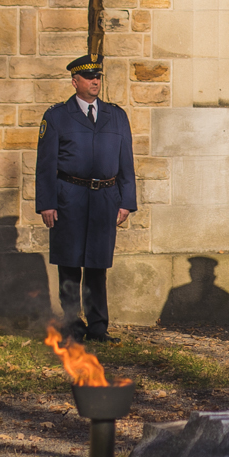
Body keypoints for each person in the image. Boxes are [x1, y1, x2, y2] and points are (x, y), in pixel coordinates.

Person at [35, 54, 135, 344]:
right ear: (74, 81)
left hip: (105, 197)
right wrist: (47, 203)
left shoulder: (116, 115)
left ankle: (98, 327)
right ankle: (70, 327)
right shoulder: (56, 117)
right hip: (70, 197)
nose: (95, 81)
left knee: (97, 265)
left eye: (99, 77)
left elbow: (126, 162)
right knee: (69, 265)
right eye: (89, 77)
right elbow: (45, 165)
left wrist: (126, 200)